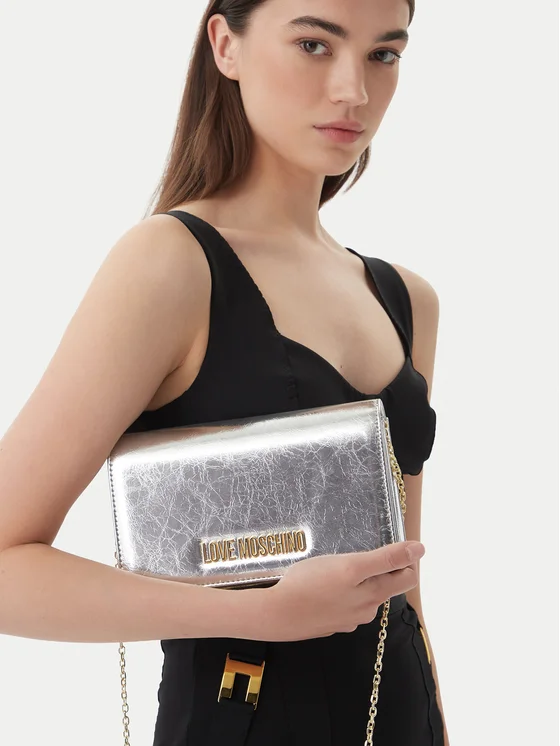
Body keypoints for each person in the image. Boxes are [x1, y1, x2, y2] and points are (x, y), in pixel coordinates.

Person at [0, 0, 449, 744]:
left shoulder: (408, 301)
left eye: (384, 54)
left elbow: (406, 587)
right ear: (225, 44)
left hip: (398, 718)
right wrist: (255, 613)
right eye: (315, 44)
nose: (354, 91)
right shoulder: (170, 265)